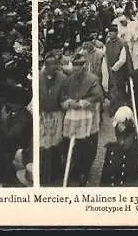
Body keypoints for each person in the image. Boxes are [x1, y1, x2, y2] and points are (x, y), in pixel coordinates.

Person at [60, 53, 105, 186]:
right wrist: (69, 103)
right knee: (73, 144)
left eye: (79, 66)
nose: (76, 69)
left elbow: (98, 96)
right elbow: (63, 96)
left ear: (83, 66)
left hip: (89, 118)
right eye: (74, 66)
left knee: (88, 145)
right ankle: (75, 168)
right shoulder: (68, 80)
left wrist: (83, 103)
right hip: (74, 118)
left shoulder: (93, 79)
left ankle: (85, 170)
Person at [100, 106, 138, 187]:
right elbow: (104, 182)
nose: (122, 142)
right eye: (119, 136)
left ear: (133, 134)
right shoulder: (111, 151)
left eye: (126, 137)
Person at [39, 51, 66, 186]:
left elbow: (64, 96)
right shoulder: (39, 77)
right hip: (43, 115)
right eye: (51, 64)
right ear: (46, 65)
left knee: (55, 145)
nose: (54, 66)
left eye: (56, 64)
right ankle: (43, 173)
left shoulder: (62, 78)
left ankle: (55, 172)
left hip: (57, 115)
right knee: (43, 145)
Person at [105, 25, 133, 116]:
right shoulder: (108, 43)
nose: (109, 34)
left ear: (116, 33)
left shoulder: (122, 43)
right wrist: (109, 67)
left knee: (119, 88)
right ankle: (113, 107)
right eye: (109, 32)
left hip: (121, 71)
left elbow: (123, 59)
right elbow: (106, 56)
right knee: (112, 88)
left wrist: (114, 68)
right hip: (111, 70)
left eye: (111, 32)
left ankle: (120, 108)